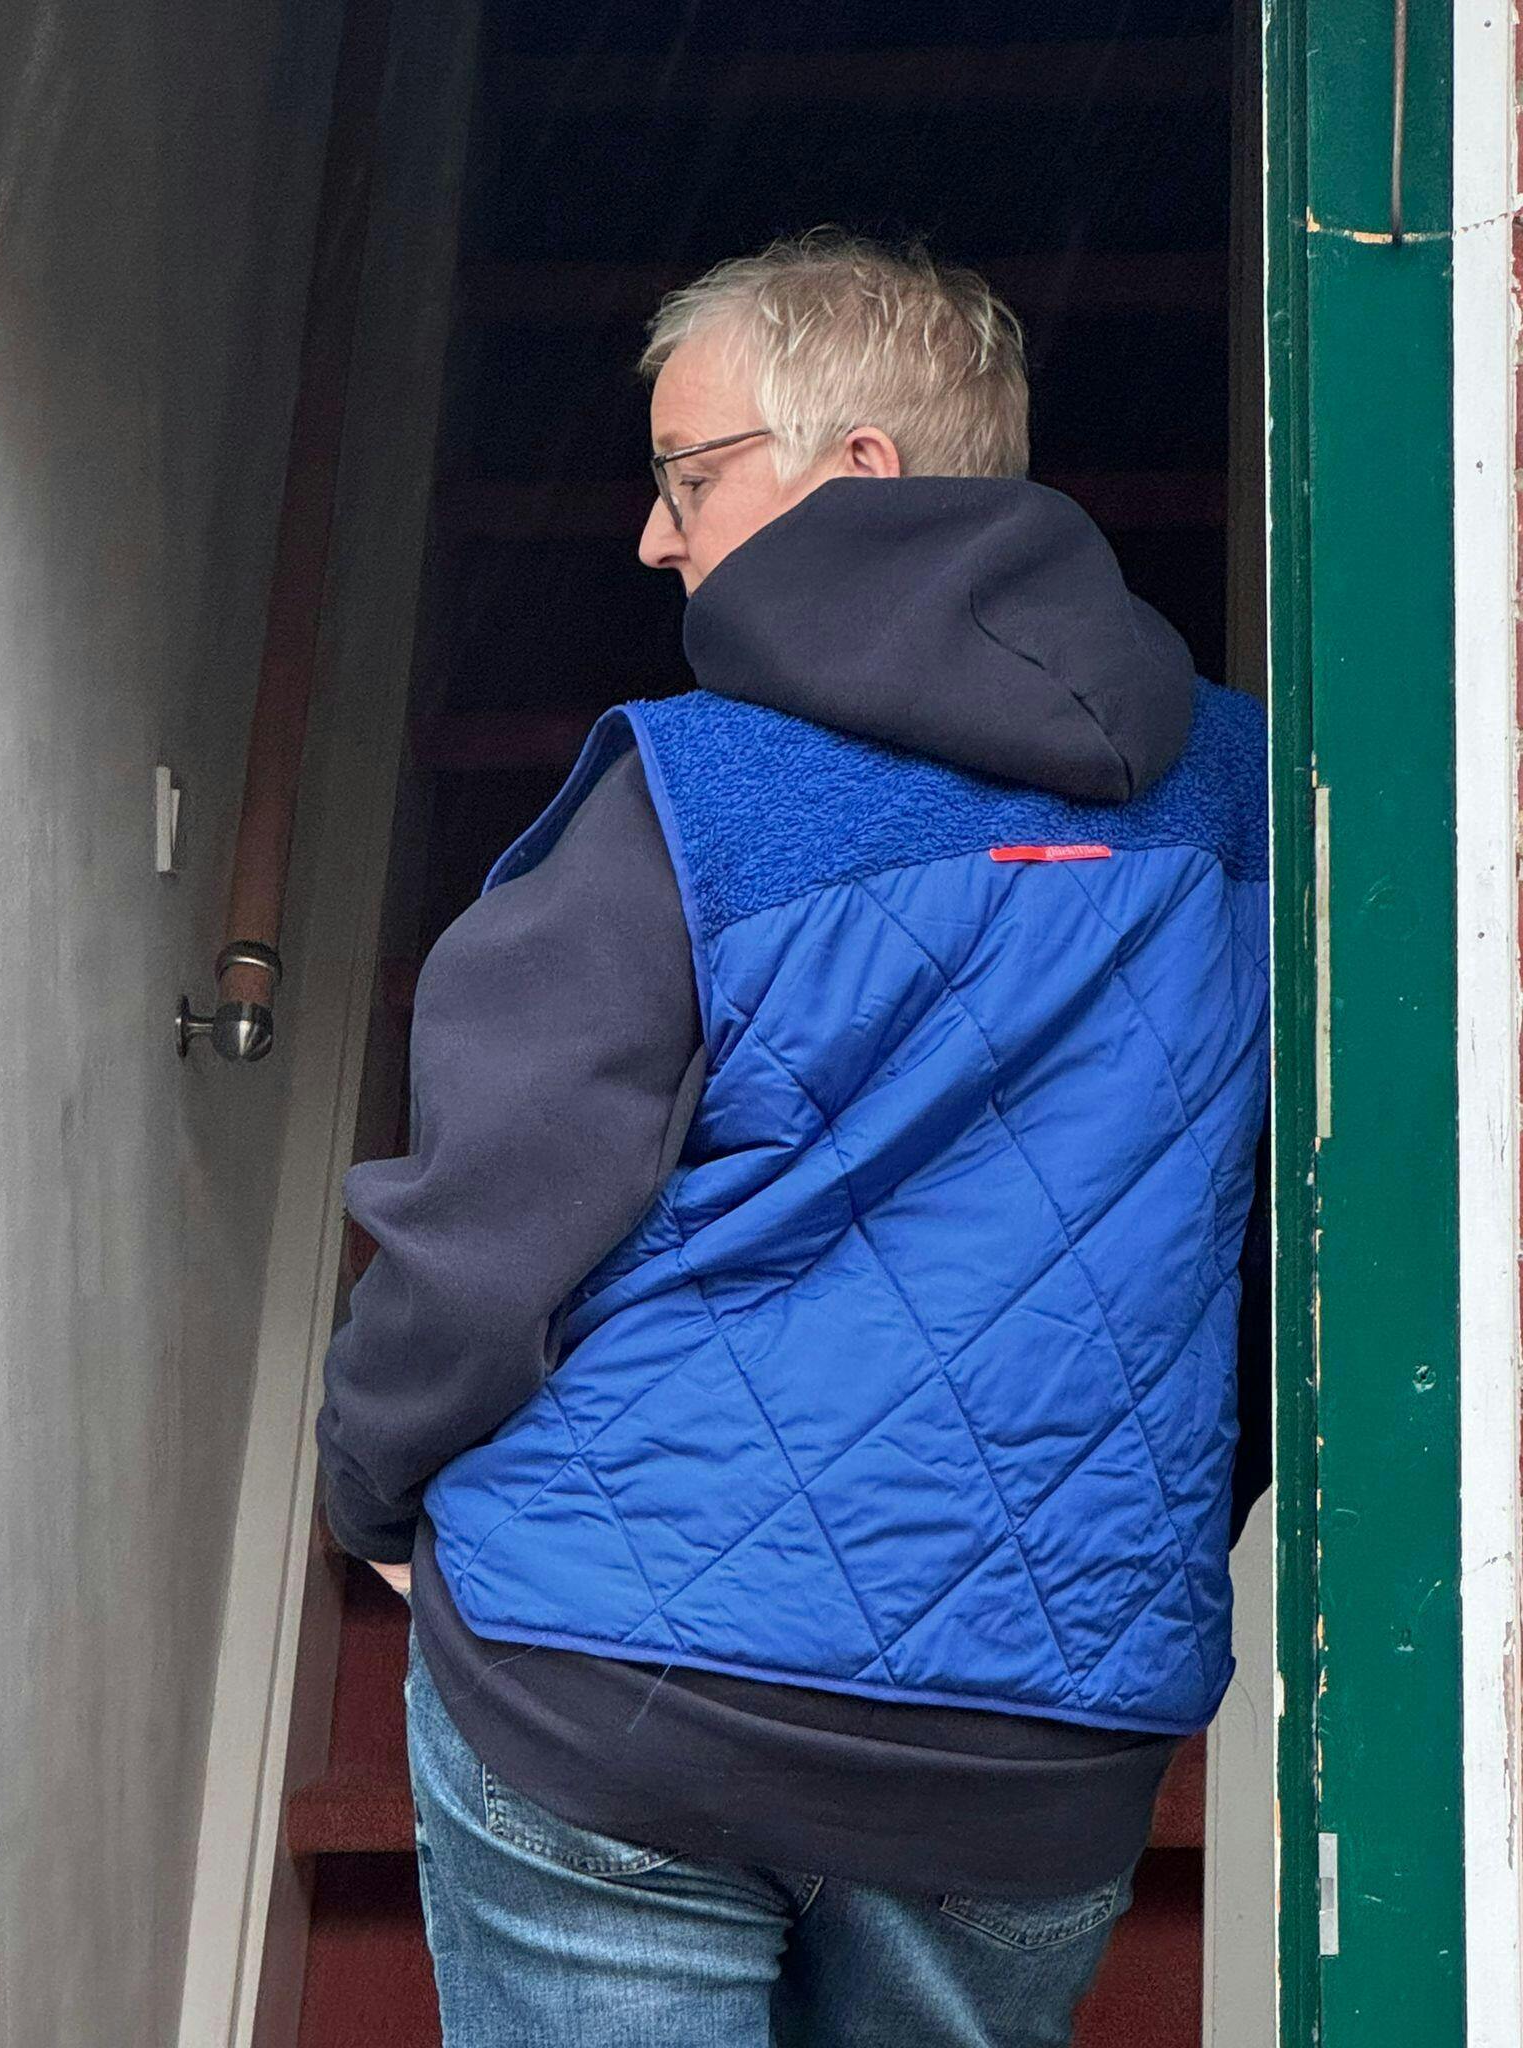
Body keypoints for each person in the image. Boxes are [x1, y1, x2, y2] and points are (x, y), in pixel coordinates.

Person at [314, 227, 1270, 2048]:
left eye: (687, 477)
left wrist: (371, 1484)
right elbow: (1291, 1249)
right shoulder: (1250, 803)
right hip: (1032, 1734)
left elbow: (489, 1230)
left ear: (860, 469)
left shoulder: (688, 798)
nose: (652, 536)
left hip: (617, 1687)